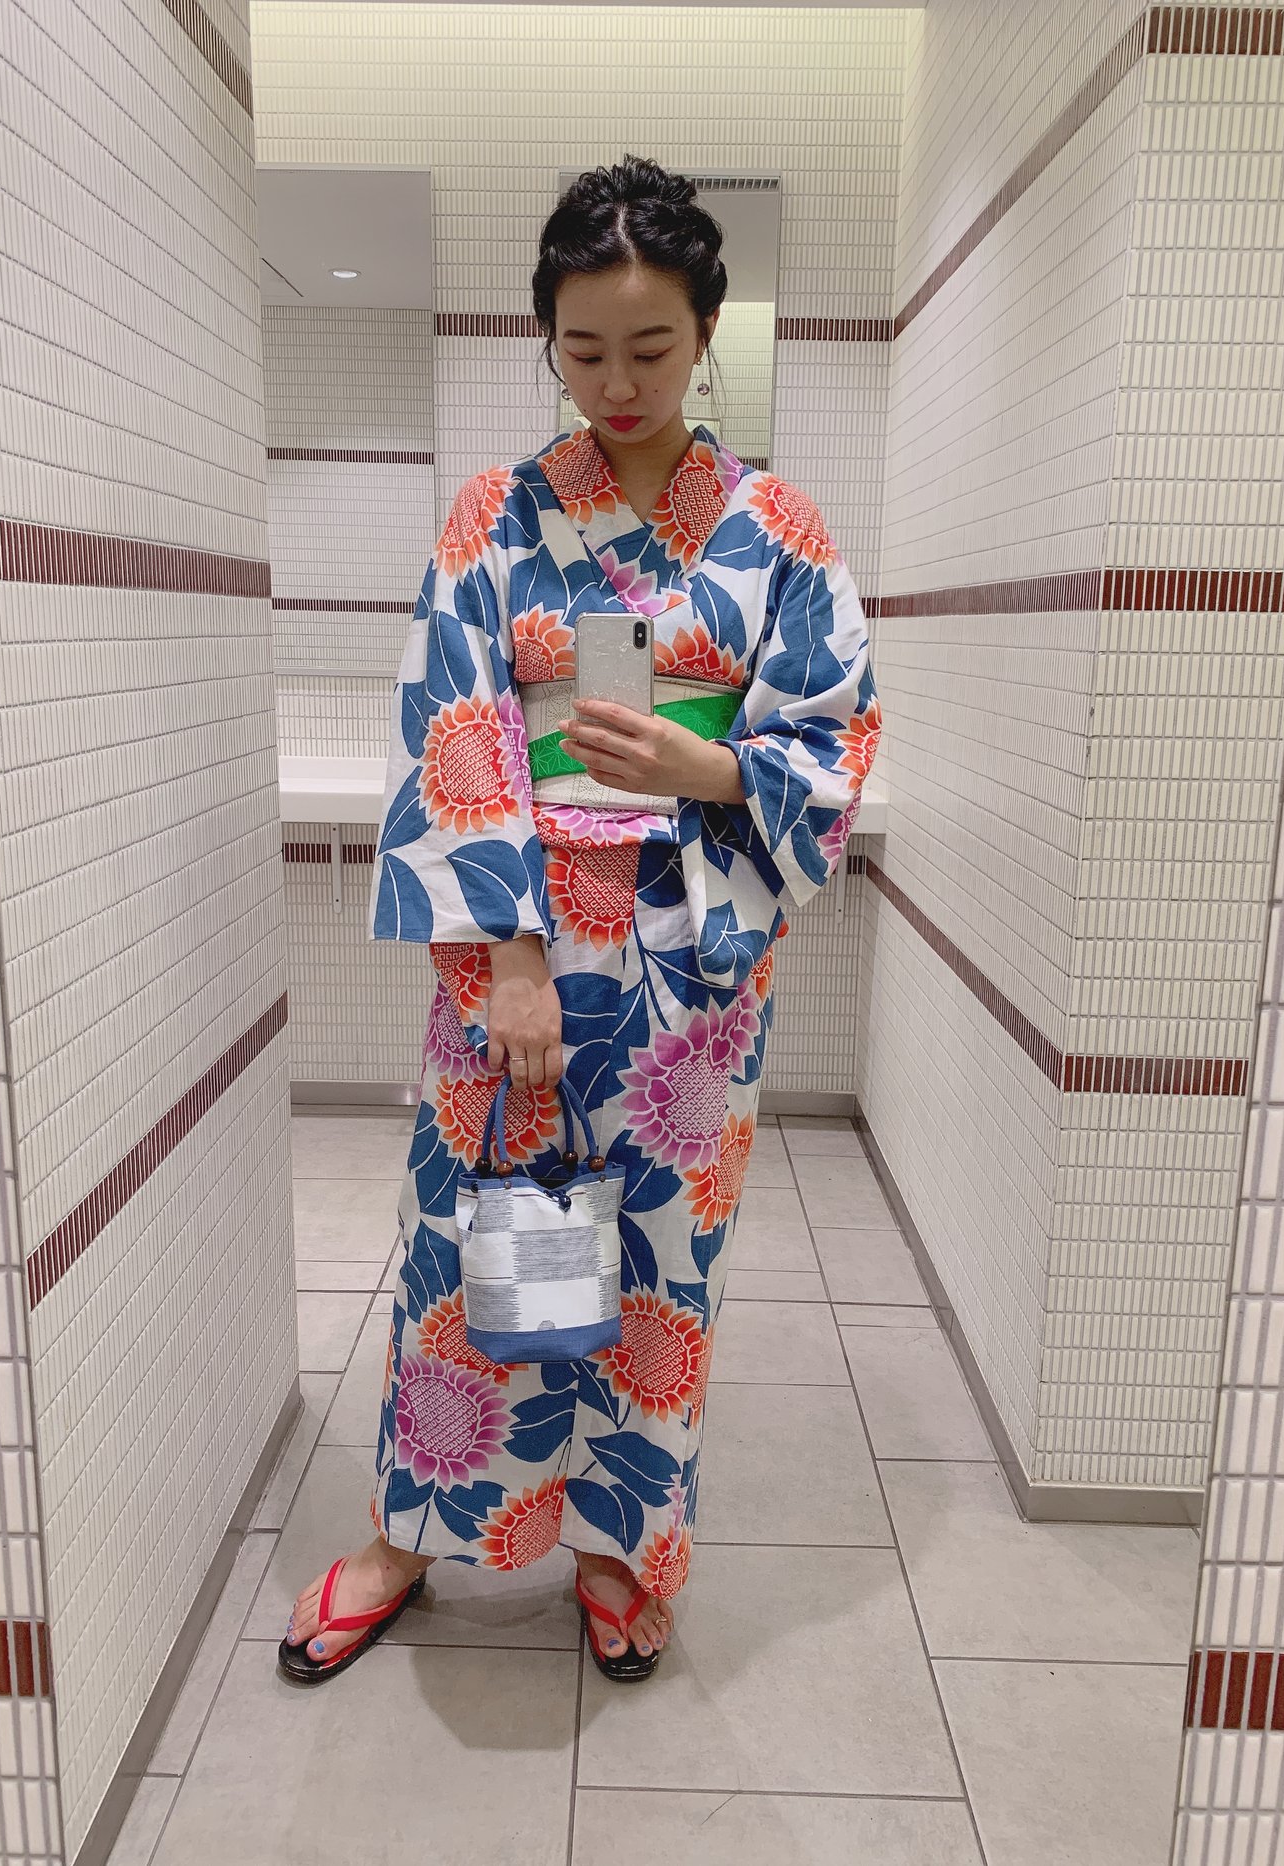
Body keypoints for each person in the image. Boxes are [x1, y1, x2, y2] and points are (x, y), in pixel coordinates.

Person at [282, 154, 880, 1686]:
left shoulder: (778, 530)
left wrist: (708, 764)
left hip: (691, 980)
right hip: (520, 967)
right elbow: (456, 721)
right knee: (464, 1252)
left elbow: (830, 737)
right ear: (545, 337)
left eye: (652, 347)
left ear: (709, 334)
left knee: (656, 1277)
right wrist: (515, 958)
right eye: (585, 349)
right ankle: (410, 1533)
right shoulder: (494, 516)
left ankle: (621, 1548)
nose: (617, 384)